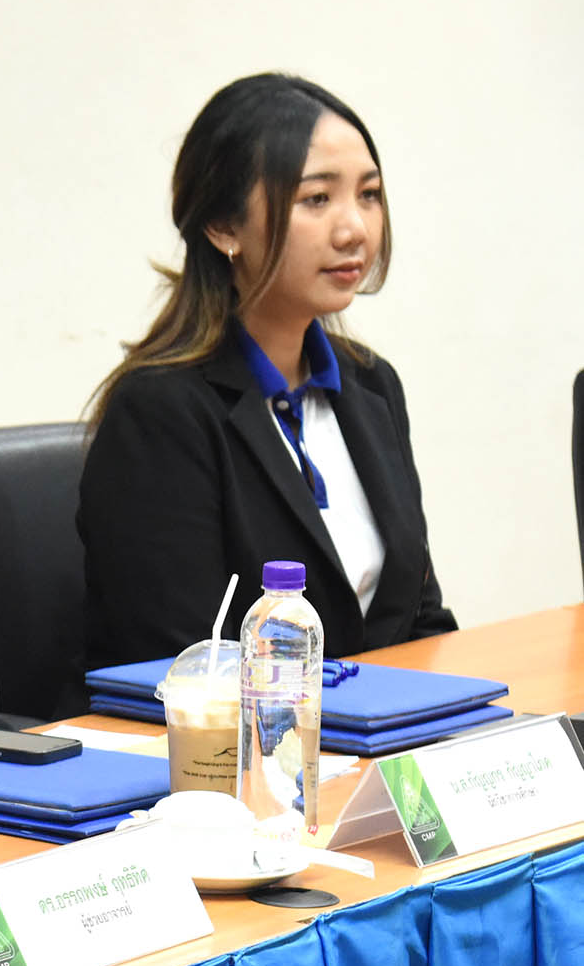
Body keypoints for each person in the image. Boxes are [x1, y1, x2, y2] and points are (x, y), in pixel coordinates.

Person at [79, 73, 455, 667]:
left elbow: (419, 616)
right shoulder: (160, 412)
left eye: (369, 194)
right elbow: (183, 662)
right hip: (239, 727)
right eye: (317, 199)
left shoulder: (372, 384)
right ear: (223, 226)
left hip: (378, 721)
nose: (354, 229)